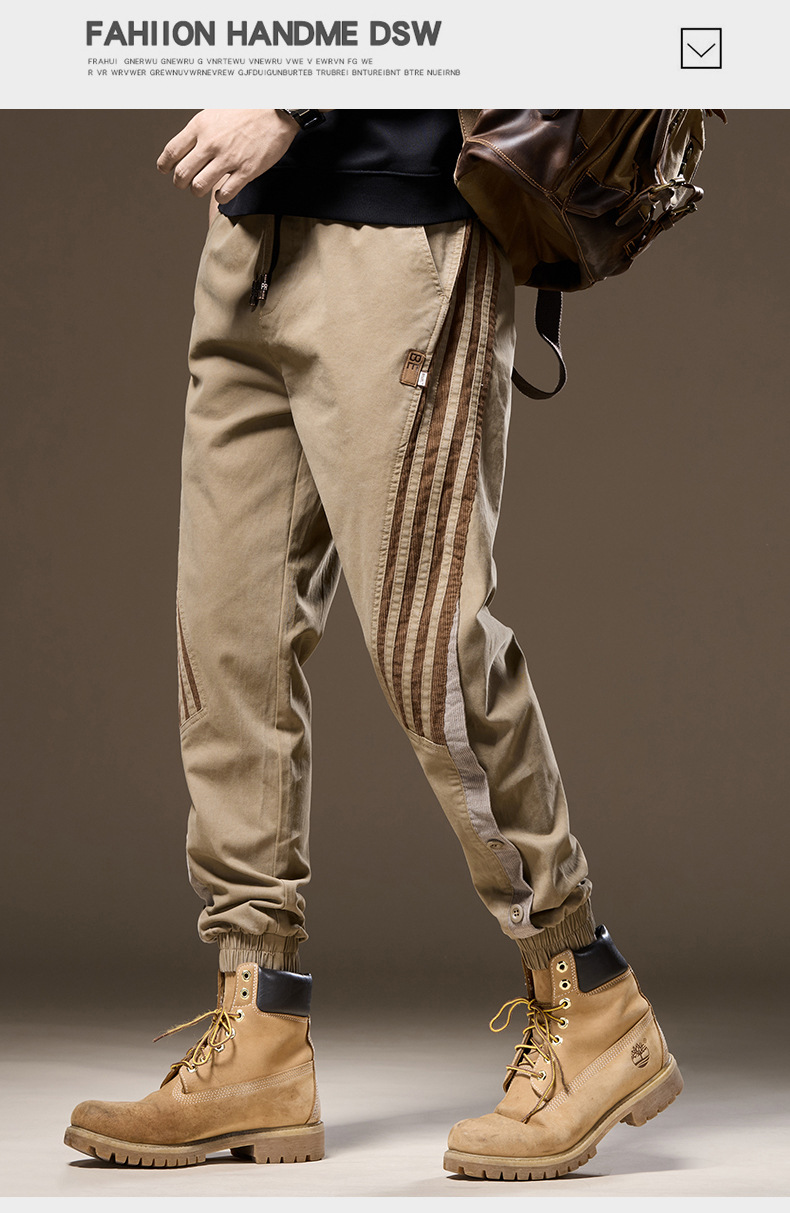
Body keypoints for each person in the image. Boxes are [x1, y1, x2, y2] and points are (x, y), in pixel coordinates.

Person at [64, 108, 682, 1179]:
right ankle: (258, 1037)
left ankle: (589, 997)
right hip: (251, 233)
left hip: (407, 231)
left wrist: (291, 100)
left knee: (432, 658)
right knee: (226, 650)